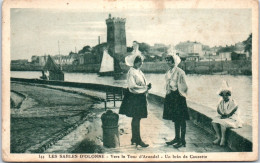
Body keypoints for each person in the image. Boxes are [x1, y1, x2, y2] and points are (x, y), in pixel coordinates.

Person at [119, 43, 151, 148]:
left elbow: (141, 84)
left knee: (137, 118)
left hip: (139, 97)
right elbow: (132, 86)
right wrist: (145, 88)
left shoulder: (139, 71)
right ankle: (138, 140)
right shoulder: (131, 72)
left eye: (141, 61)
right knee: (136, 118)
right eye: (138, 62)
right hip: (135, 97)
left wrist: (146, 86)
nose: (141, 63)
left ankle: (134, 138)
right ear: (134, 63)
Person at [163, 45, 189, 148]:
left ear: (174, 61)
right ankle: (176, 138)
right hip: (171, 97)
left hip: (179, 97)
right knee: (175, 118)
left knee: (181, 119)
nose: (168, 62)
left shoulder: (180, 72)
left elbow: (185, 86)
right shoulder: (168, 73)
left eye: (169, 60)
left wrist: (180, 92)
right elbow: (166, 84)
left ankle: (182, 140)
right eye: (167, 60)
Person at [212, 81, 242, 146]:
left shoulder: (233, 102)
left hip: (232, 118)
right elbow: (219, 110)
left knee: (223, 124)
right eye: (223, 95)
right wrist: (222, 115)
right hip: (225, 117)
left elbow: (231, 112)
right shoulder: (221, 102)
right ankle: (219, 137)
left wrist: (226, 116)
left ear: (229, 95)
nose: (224, 97)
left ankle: (223, 139)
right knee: (214, 121)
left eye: (226, 95)